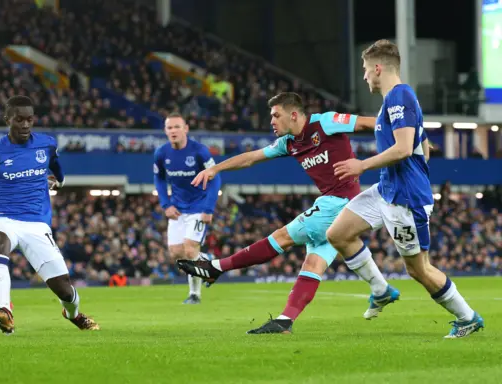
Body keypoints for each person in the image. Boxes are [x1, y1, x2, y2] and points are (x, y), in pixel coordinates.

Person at [177, 92, 395, 334]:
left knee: (282, 236)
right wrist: (215, 169)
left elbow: (370, 123)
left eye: (275, 115)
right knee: (313, 264)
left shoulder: (325, 122)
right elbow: (251, 158)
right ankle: (285, 321)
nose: (271, 121)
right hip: (335, 208)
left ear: (293, 115)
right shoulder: (288, 143)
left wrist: (406, 138)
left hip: (340, 203)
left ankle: (216, 267)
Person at [327, 39, 484, 338]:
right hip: (387, 189)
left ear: (377, 68)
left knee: (419, 269)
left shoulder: (400, 96)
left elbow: (402, 148)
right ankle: (381, 289)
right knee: (338, 233)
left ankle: (468, 318)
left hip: (405, 199)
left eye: (365, 70)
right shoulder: (394, 101)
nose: (364, 77)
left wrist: (362, 165)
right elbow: (422, 147)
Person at [0, 95, 99, 334]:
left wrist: (61, 182)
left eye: (29, 119)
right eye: (19, 119)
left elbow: (56, 166)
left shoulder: (46, 144)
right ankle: (5, 312)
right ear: (7, 119)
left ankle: (72, 313)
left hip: (36, 224)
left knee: (65, 290)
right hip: (4, 218)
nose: (25, 125)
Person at [153, 112, 221, 304]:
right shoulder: (161, 153)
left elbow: (215, 177)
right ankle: (209, 263)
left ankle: (194, 295)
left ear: (185, 129)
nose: (173, 131)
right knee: (176, 253)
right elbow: (158, 178)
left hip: (199, 207)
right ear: (165, 131)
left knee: (190, 250)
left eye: (177, 127)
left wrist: (208, 208)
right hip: (177, 209)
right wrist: (165, 204)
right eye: (169, 127)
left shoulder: (199, 151)